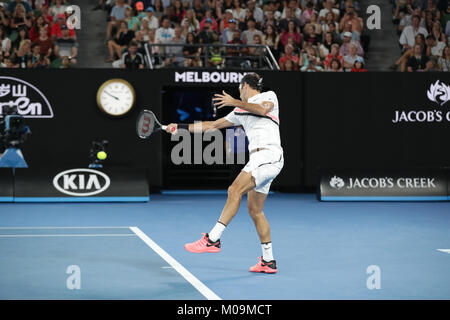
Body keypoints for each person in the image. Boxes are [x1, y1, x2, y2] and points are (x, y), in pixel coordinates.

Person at [165, 73, 283, 274]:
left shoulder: (269, 96)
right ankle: (268, 261)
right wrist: (180, 128)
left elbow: (262, 110)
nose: (238, 92)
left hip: (268, 155)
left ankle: (213, 239)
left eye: (239, 89)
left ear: (245, 85)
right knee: (255, 210)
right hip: (263, 159)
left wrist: (234, 101)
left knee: (234, 189)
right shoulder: (239, 111)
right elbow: (212, 125)